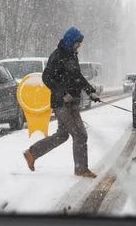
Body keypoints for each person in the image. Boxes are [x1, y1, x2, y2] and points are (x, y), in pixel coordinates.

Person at [23, 27, 100, 178]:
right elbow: (47, 78)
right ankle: (81, 168)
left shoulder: (72, 55)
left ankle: (32, 153)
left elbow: (77, 77)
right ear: (71, 41)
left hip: (71, 103)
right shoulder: (57, 56)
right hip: (62, 103)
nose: (79, 46)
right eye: (77, 43)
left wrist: (90, 91)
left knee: (62, 135)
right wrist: (63, 93)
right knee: (80, 135)